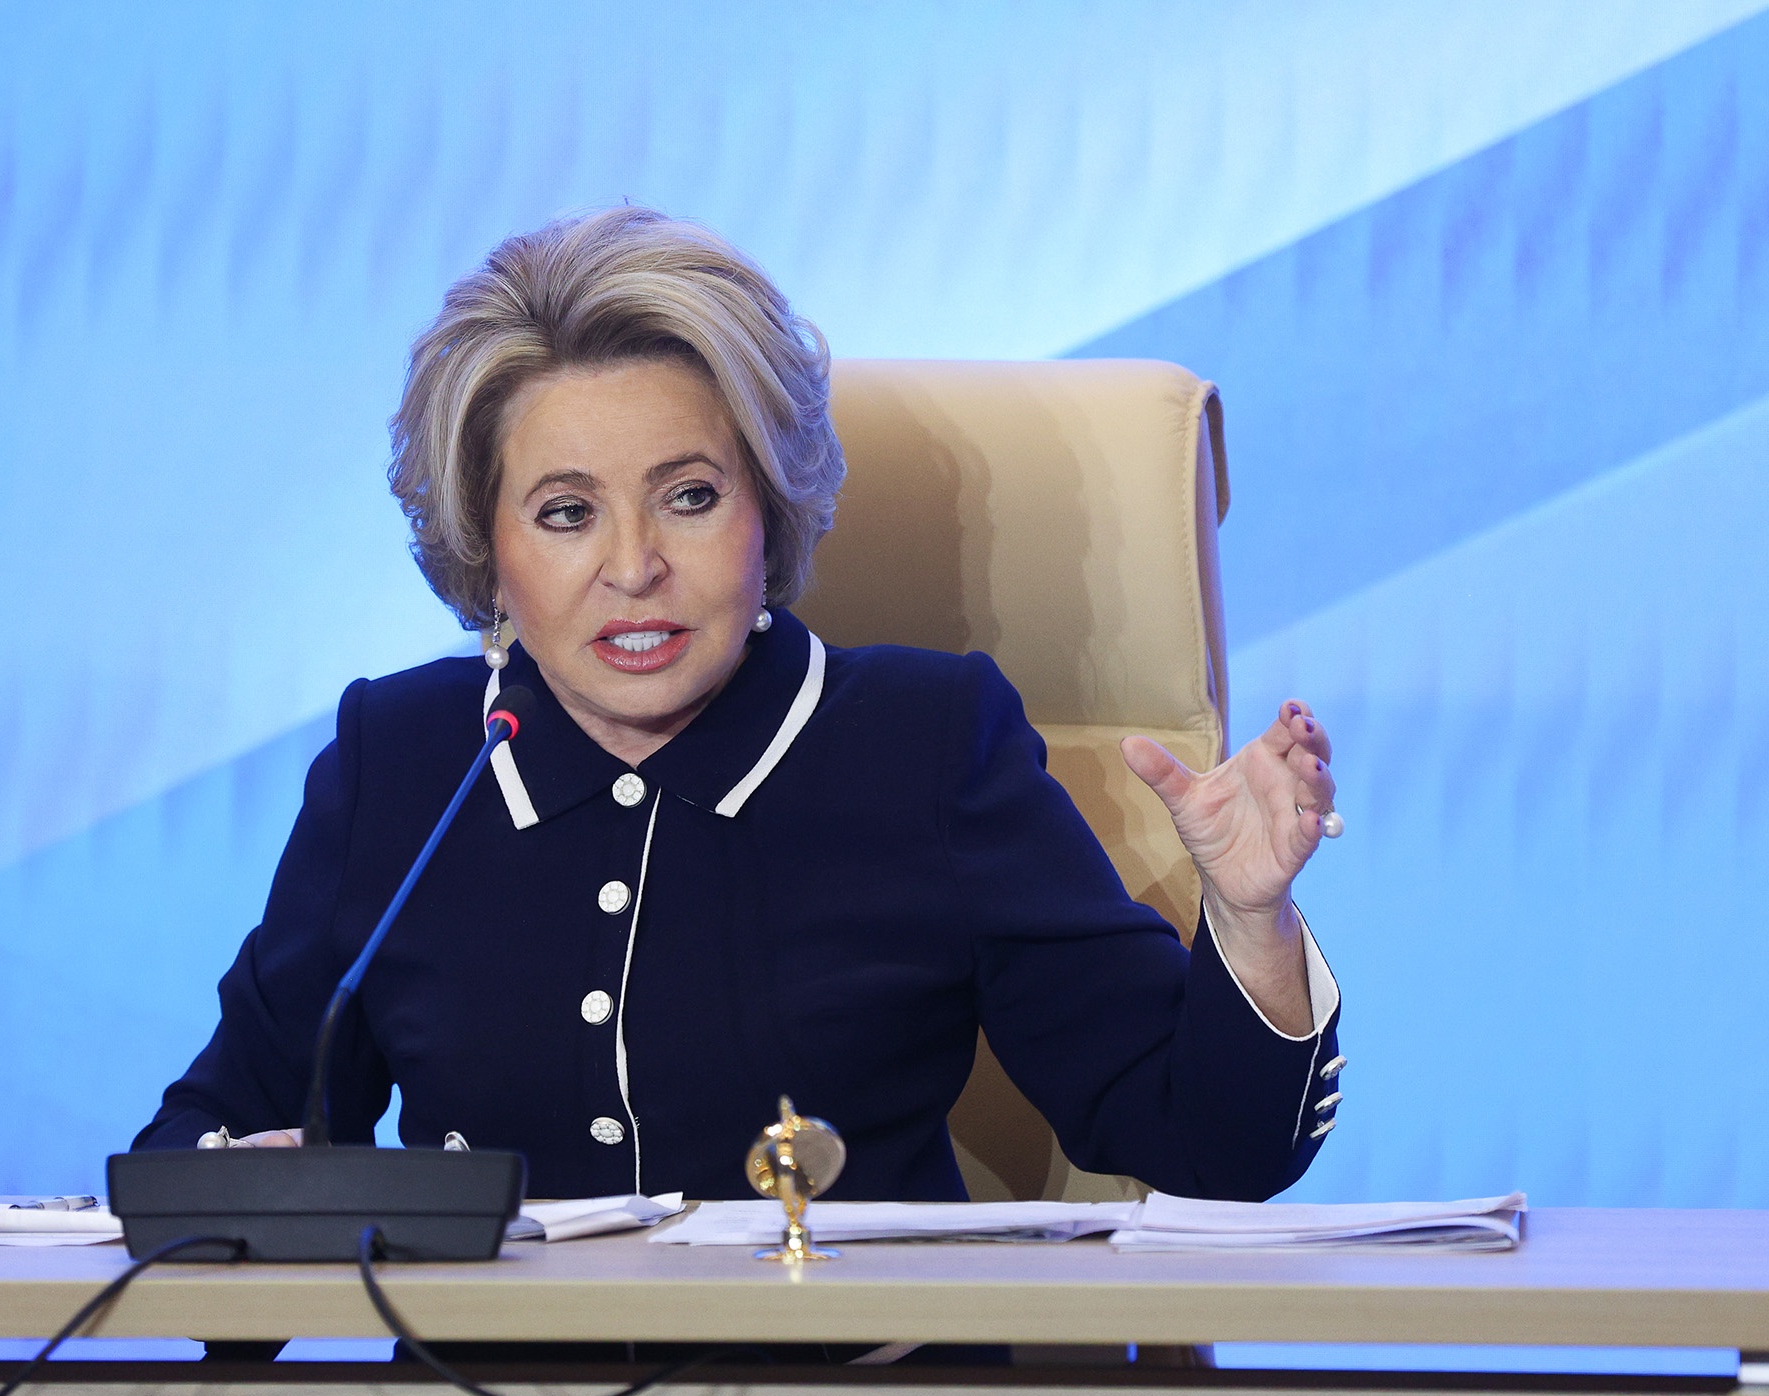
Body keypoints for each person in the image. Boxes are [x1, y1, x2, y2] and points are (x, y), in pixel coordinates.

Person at [134, 206, 1343, 1203]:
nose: (633, 567)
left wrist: (1249, 921)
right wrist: (239, 1186)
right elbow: (219, 1128)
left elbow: (1209, 1144)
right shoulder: (402, 761)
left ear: (772, 509)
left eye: (690, 496)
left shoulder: (925, 746)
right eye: (566, 513)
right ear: (485, 551)